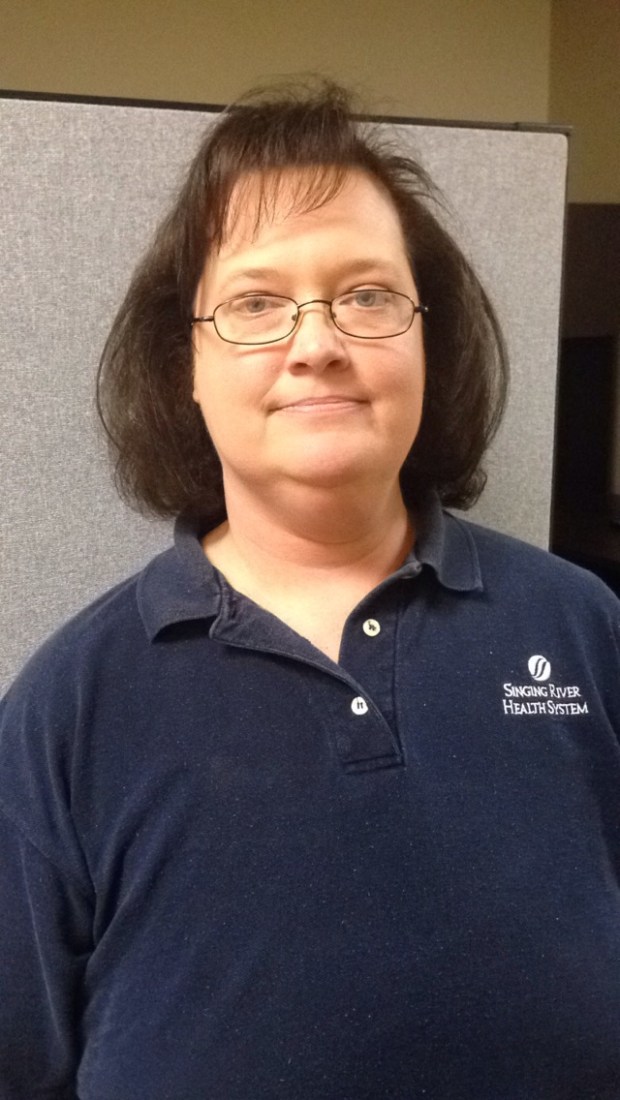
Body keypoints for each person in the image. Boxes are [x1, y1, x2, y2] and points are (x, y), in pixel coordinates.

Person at [1, 82, 619, 1100]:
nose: (317, 339)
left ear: (427, 338)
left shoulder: (583, 632)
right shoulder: (67, 712)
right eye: (254, 301)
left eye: (367, 294)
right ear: (186, 364)